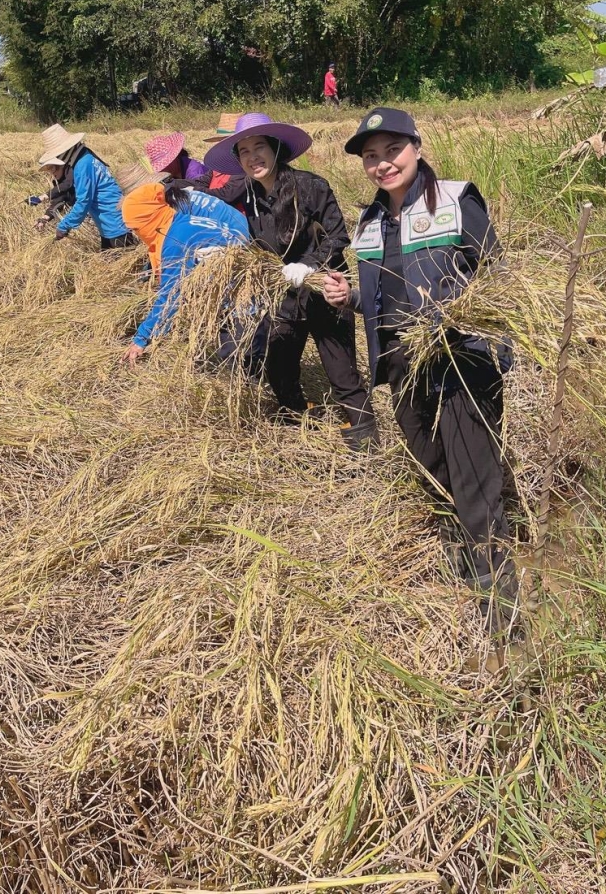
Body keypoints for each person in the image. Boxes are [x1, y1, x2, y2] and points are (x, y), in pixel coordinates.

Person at [322, 106, 518, 633]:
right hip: (403, 366)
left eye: (393, 150)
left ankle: (501, 606)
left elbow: (497, 276)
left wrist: (465, 317)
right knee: (431, 462)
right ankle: (467, 547)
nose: (383, 164)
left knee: (473, 474)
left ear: (416, 146)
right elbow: (381, 297)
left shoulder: (456, 200)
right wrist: (349, 296)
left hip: (461, 358)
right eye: (371, 156)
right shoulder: (369, 222)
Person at [204, 111, 377, 449]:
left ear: (275, 148)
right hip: (283, 299)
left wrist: (309, 265)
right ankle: (297, 425)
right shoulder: (247, 198)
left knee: (344, 378)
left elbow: (338, 237)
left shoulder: (311, 187)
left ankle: (366, 445)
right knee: (280, 370)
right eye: (244, 151)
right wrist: (222, 254)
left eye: (259, 147)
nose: (253, 157)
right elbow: (249, 244)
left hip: (325, 294)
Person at [119, 177, 249, 367]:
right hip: (239, 281)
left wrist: (141, 339)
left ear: (147, 219)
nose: (136, 234)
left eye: (136, 228)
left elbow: (171, 296)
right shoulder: (181, 219)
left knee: (236, 358)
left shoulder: (175, 241)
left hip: (243, 302)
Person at [36, 124, 136, 248]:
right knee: (108, 257)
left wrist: (64, 225)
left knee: (121, 256)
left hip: (114, 223)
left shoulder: (82, 165)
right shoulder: (86, 155)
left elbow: (83, 201)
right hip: (110, 221)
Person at [144, 132, 210, 184]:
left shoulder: (194, 172)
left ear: (175, 158)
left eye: (167, 164)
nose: (164, 169)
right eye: (162, 167)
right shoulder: (171, 174)